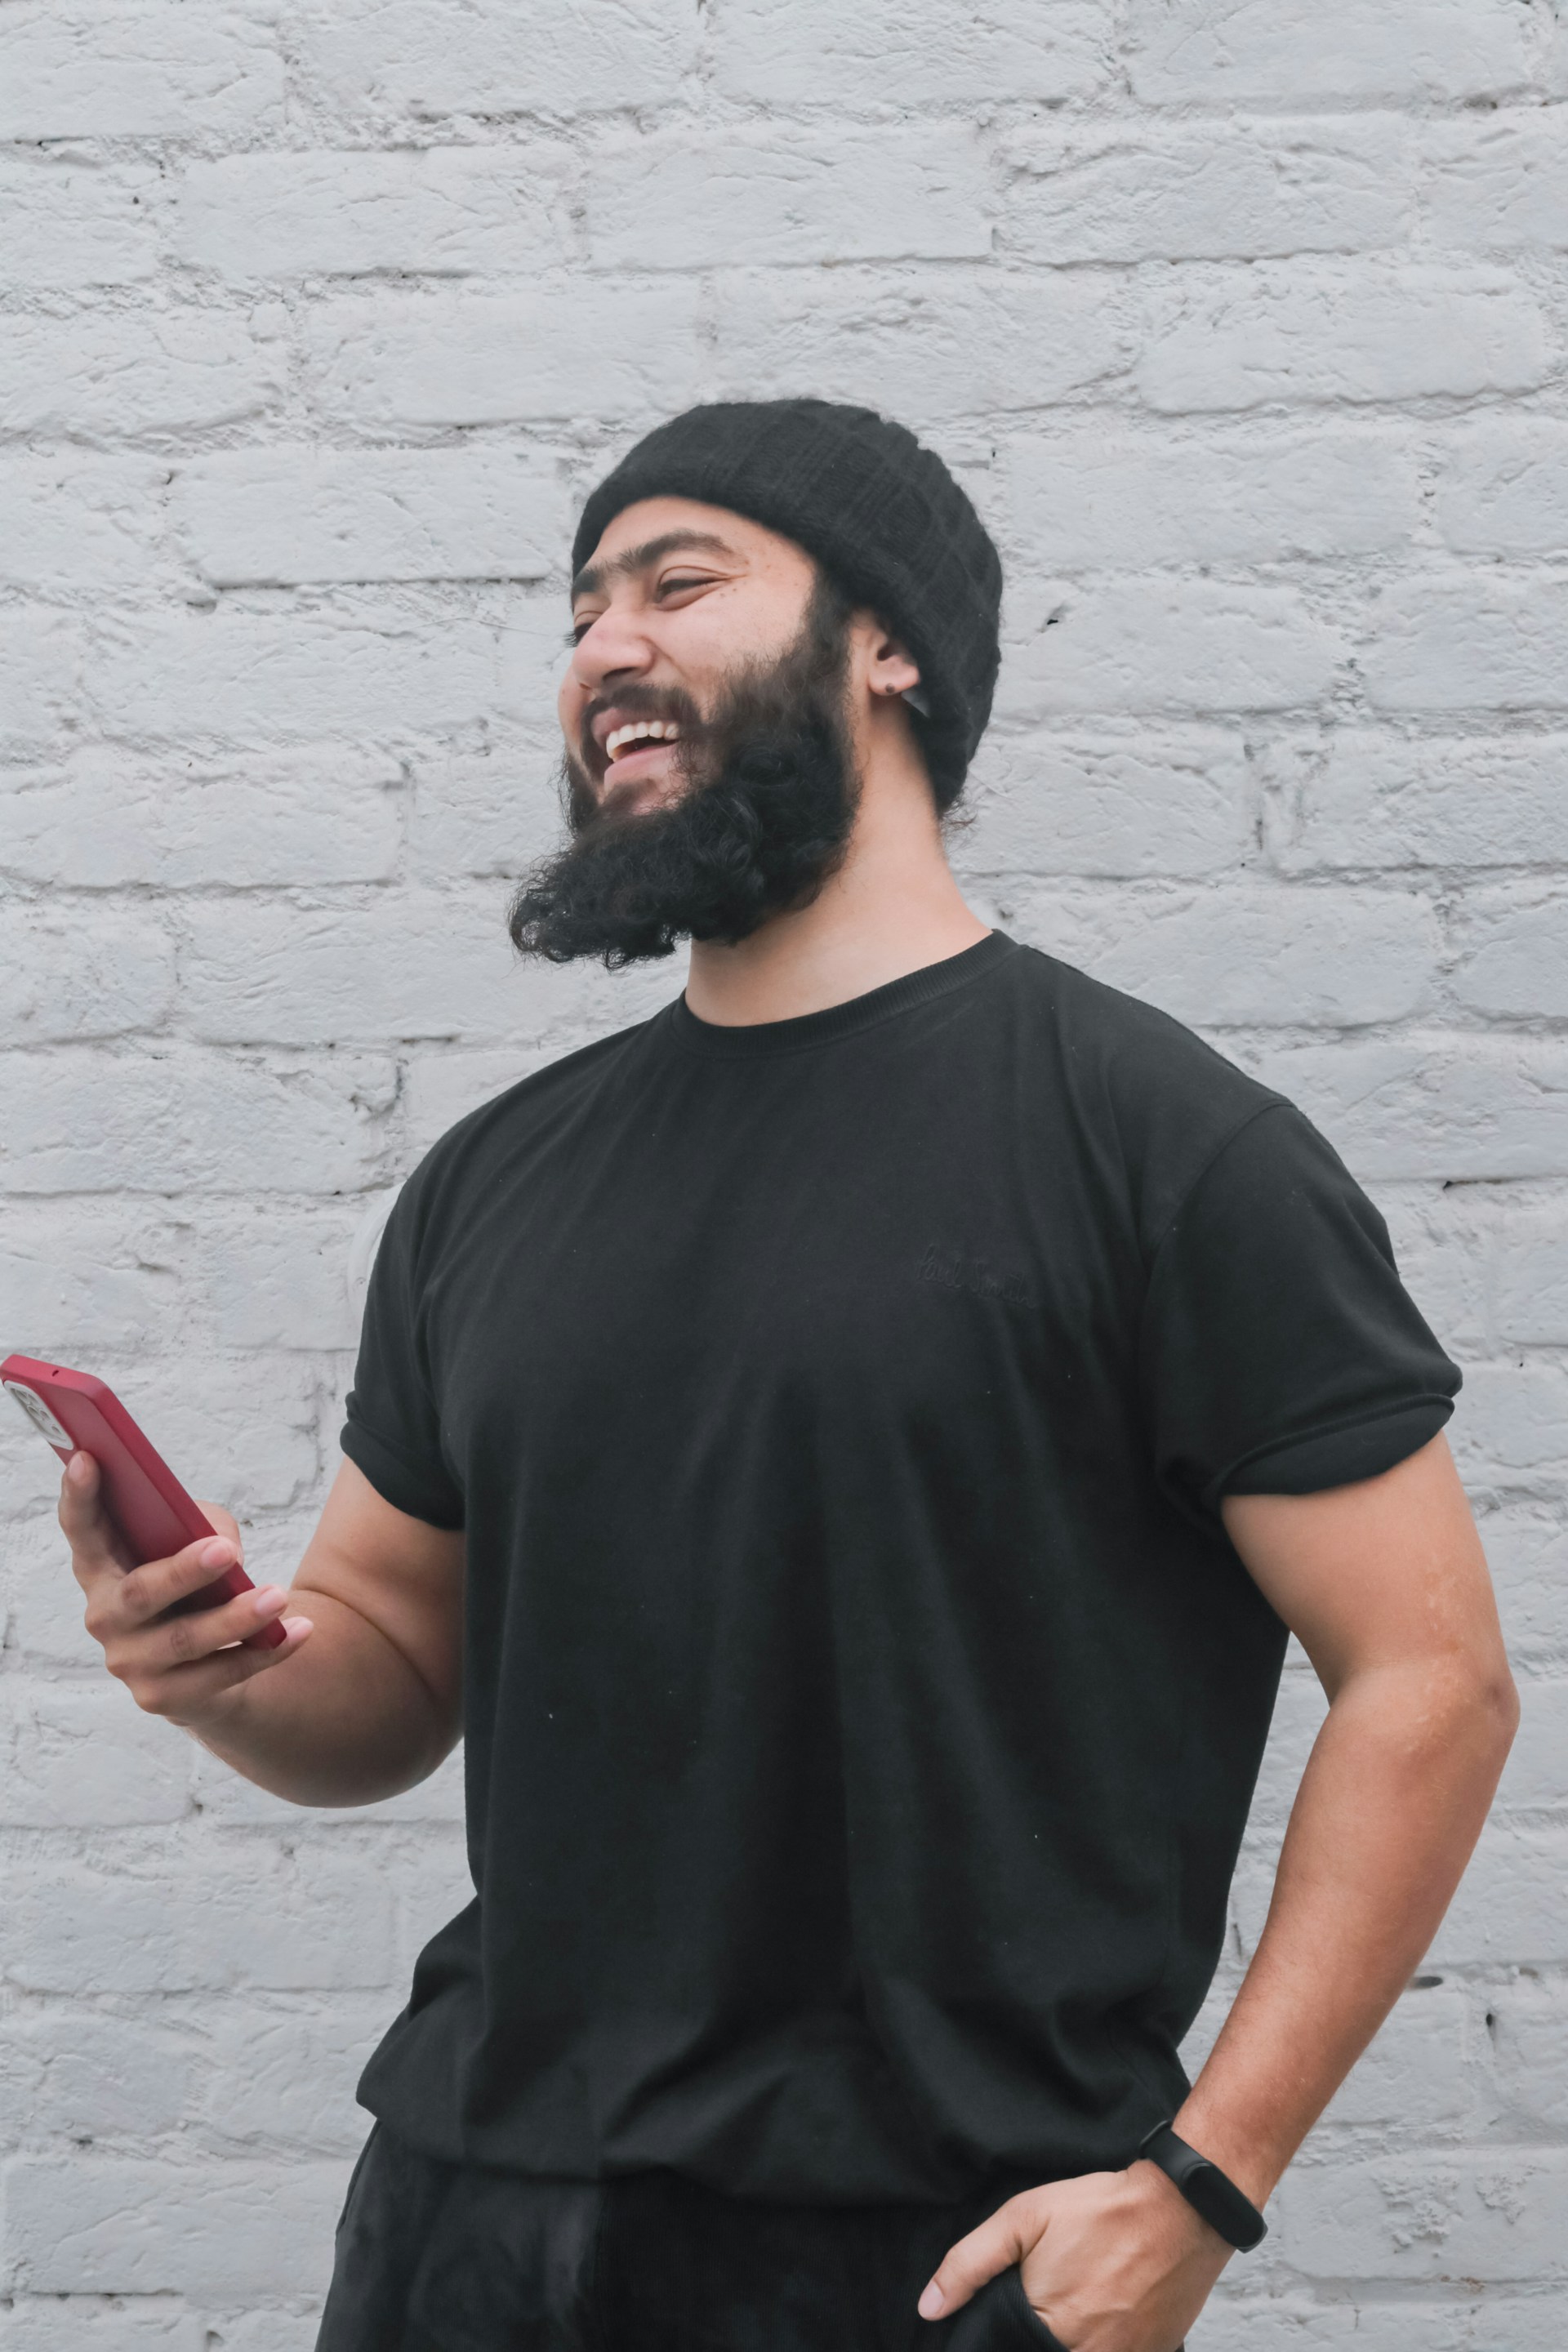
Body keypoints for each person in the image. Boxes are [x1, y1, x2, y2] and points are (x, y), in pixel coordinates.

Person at [60, 400, 1517, 2352]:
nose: (606, 648)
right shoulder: (495, 1179)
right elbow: (388, 1674)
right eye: (583, 611)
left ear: (887, 643)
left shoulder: (1163, 1146)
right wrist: (218, 1669)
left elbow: (1432, 1681)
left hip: (927, 2249)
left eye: (679, 584)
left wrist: (1204, 2182)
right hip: (469, 2219)